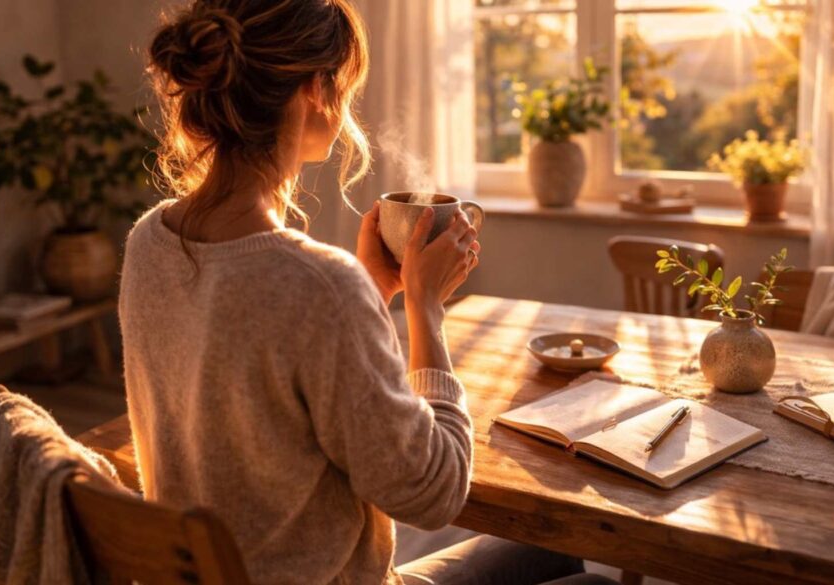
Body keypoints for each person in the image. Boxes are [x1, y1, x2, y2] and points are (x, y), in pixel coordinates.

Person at [122, 1, 618, 584]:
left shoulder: (149, 241)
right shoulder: (318, 285)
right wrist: (425, 311)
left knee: (549, 556)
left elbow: (281, 385)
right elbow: (433, 492)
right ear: (315, 90)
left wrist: (374, 291)